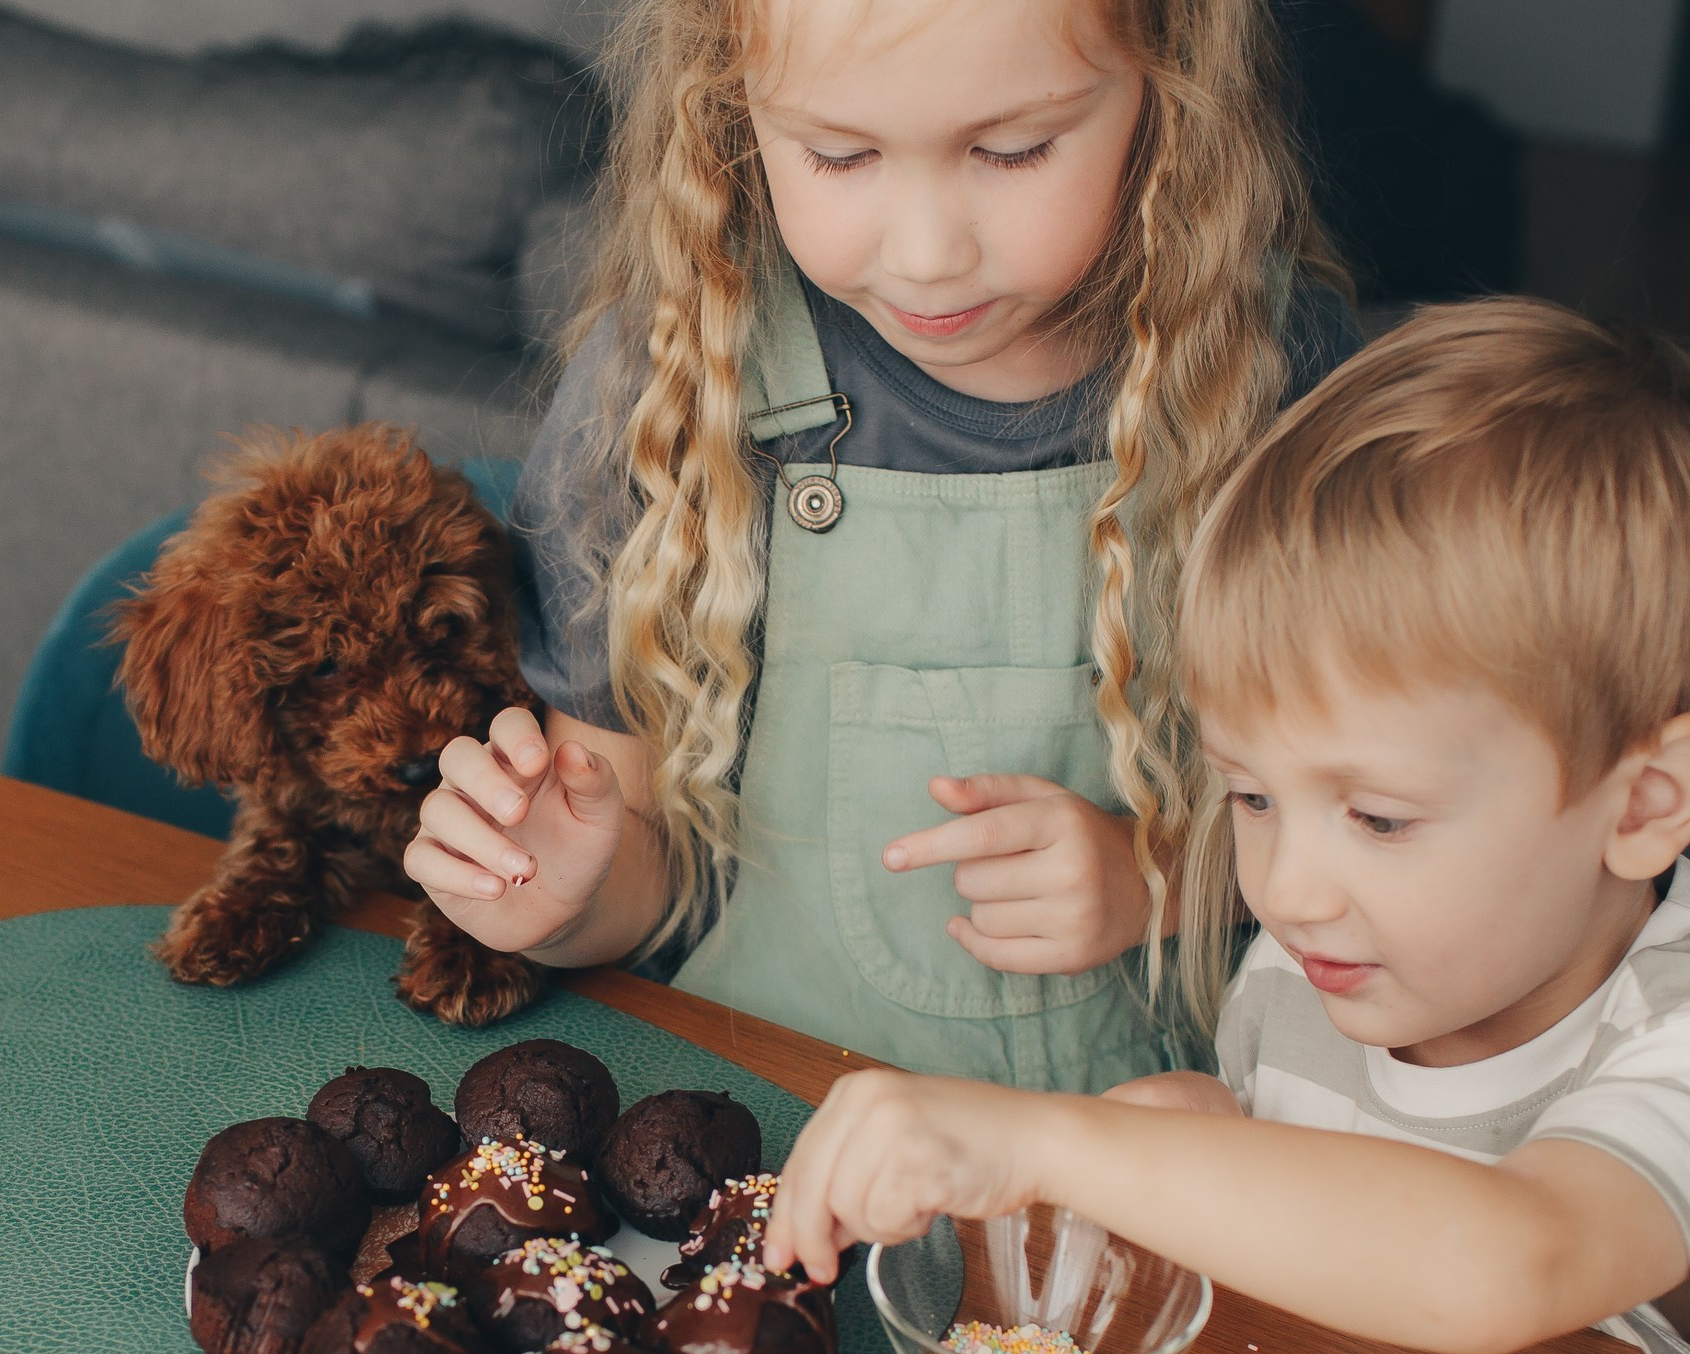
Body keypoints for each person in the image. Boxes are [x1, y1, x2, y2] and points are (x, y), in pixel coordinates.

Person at [763, 300, 1690, 1354]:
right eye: (1250, 796)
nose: (1284, 892)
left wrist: (1050, 1143)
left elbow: (1507, 1260)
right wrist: (1194, 1122)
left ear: (1646, 803)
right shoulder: (1320, 971)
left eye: (1380, 820)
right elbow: (1324, 1178)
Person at [403, 0, 1359, 1092]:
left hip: (1141, 1156)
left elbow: (1404, 825)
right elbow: (639, 893)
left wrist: (1163, 882)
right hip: (766, 1127)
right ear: (731, 111)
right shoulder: (669, 389)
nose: (925, 254)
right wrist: (559, 892)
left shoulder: (1281, 379)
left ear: (1168, 84)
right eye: (838, 154)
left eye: (1013, 150)